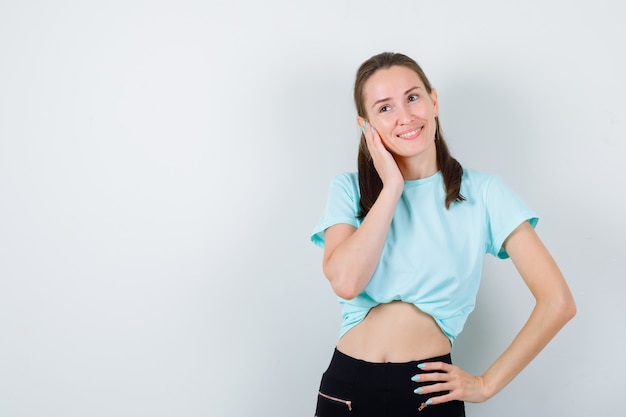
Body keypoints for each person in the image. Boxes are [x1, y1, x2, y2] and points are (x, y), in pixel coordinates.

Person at [310, 52, 576, 416]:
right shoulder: (348, 190)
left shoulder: (483, 193)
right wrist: (391, 189)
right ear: (366, 124)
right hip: (348, 389)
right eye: (384, 108)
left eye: (413, 97)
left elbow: (557, 302)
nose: (405, 116)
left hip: (428, 394)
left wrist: (486, 384)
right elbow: (345, 282)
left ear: (433, 101)